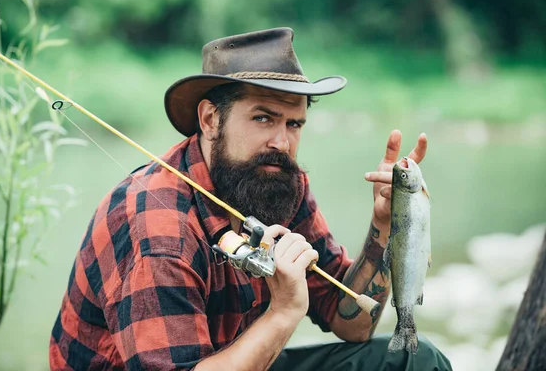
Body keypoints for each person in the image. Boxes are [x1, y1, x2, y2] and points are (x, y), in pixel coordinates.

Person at [49, 28, 451, 370]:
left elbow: (354, 323)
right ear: (210, 120)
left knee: (416, 360)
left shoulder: (277, 181)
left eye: (294, 124)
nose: (281, 142)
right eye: (263, 118)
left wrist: (387, 222)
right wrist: (283, 312)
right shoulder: (158, 228)